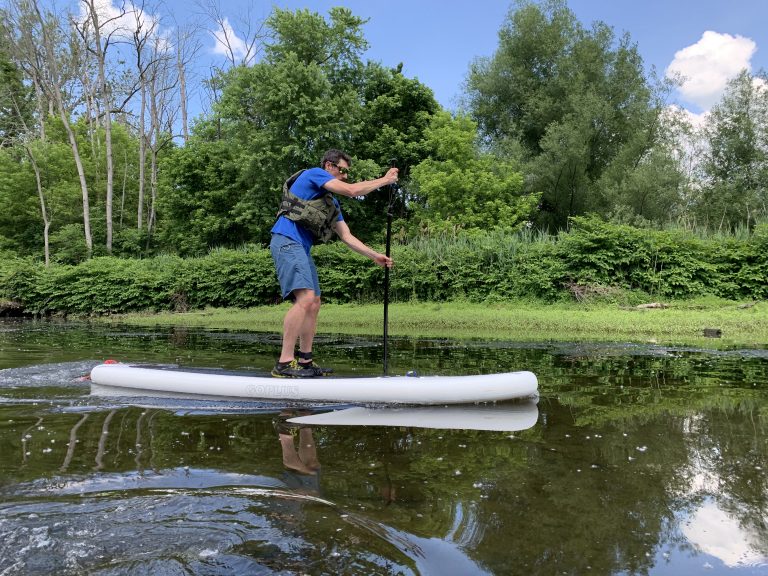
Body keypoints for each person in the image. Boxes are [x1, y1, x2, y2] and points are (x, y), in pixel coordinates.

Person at [270, 149, 398, 378]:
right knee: (306, 298)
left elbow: (347, 236)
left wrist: (374, 256)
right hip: (286, 241)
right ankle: (284, 363)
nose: (345, 176)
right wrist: (385, 180)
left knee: (315, 301)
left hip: (301, 248)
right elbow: (352, 191)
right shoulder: (314, 174)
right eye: (342, 170)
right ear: (329, 166)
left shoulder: (332, 204)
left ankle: (306, 361)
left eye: (347, 172)